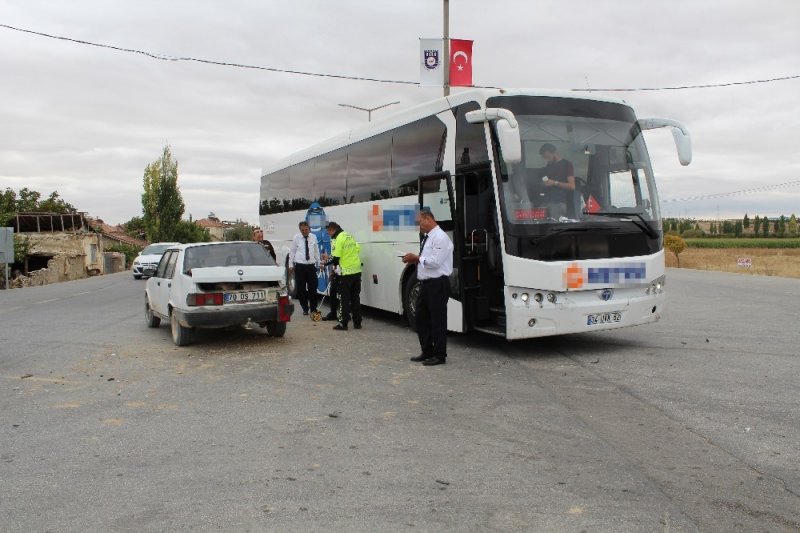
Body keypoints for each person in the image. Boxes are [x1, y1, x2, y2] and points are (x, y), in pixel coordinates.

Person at [402, 209, 454, 366]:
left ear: (427, 219)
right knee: (420, 318)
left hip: (437, 284)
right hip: (425, 283)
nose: (419, 226)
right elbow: (427, 260)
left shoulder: (440, 238)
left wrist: (417, 258)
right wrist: (415, 260)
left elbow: (436, 262)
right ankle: (427, 350)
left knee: (437, 320)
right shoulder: (428, 238)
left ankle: (439, 355)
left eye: (419, 222)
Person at [323, 221, 362, 331]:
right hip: (357, 271)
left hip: (345, 274)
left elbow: (335, 258)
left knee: (343, 299)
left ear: (332, 230)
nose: (329, 235)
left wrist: (324, 262)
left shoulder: (337, 239)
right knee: (355, 298)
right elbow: (358, 249)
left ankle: (343, 324)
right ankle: (357, 323)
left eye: (328, 232)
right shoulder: (349, 236)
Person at [288, 221, 320, 316]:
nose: (305, 231)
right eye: (303, 230)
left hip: (311, 267)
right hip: (300, 267)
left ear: (309, 229)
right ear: (300, 230)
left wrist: (319, 263)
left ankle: (313, 309)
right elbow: (292, 252)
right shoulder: (296, 238)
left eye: (306, 230)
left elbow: (316, 251)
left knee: (313, 288)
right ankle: (305, 308)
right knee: (301, 289)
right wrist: (290, 265)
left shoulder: (313, 237)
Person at [538, 143, 576, 218]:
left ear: (554, 153)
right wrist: (544, 183)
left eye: (548, 156)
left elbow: (572, 186)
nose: (547, 159)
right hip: (546, 202)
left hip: (559, 203)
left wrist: (554, 183)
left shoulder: (567, 165)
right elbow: (545, 180)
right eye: (545, 158)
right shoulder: (548, 166)